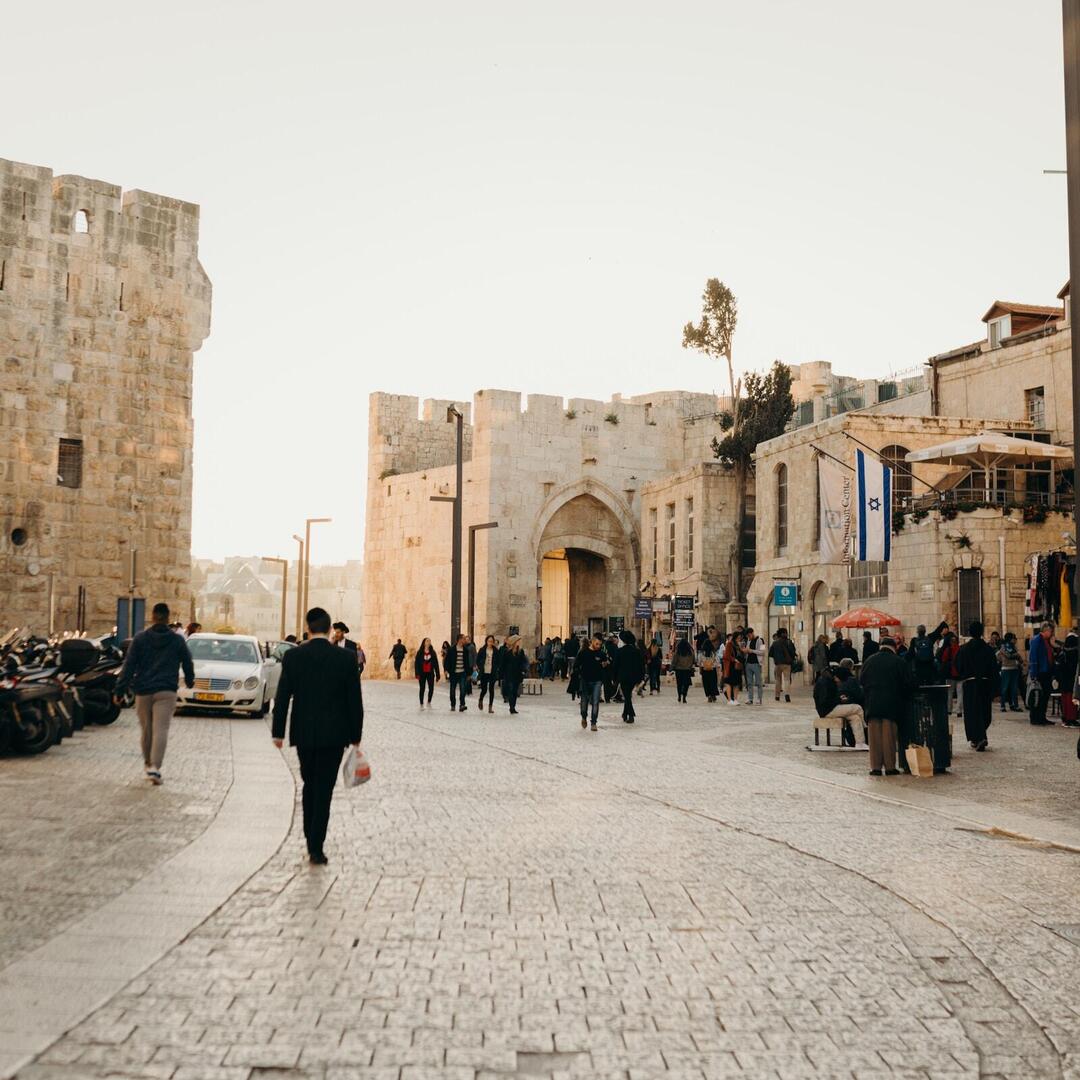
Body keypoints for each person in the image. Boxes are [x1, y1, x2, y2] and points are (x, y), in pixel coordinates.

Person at [271, 607, 363, 866]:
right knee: (324, 790)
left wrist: (278, 732)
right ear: (329, 626)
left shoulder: (293, 657)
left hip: (304, 734)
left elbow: (283, 696)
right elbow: (354, 701)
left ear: (309, 627)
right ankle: (316, 846)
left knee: (309, 784)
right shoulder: (345, 659)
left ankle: (310, 838)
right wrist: (356, 735)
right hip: (335, 736)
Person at [114, 602, 195, 785]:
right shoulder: (177, 640)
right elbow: (187, 662)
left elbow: (129, 666)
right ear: (167, 618)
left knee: (146, 730)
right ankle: (155, 768)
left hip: (143, 690)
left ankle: (148, 763)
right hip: (166, 690)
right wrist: (190, 680)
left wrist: (120, 690)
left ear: (152, 616)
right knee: (161, 729)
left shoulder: (140, 639)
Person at [859, 635, 912, 776]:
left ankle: (875, 767)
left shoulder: (869, 661)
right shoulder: (898, 661)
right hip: (891, 704)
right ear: (893, 647)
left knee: (874, 737)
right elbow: (907, 684)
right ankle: (889, 767)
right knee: (889, 737)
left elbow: (862, 681)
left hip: (872, 704)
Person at [955, 620, 998, 753]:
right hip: (984, 684)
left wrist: (964, 674)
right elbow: (994, 668)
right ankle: (980, 737)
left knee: (972, 712)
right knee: (984, 711)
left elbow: (958, 666)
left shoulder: (964, 649)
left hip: (970, 684)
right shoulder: (988, 650)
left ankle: (977, 737)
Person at [814, 663, 864, 748]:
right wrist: (839, 699)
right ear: (836, 678)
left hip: (828, 708)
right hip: (827, 710)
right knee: (858, 708)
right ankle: (866, 726)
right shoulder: (826, 683)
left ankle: (860, 743)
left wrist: (839, 698)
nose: (840, 684)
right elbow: (825, 701)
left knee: (855, 717)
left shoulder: (827, 681)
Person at [576, 634, 608, 731]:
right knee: (584, 701)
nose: (598, 646)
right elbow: (576, 665)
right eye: (597, 644)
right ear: (592, 641)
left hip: (597, 681)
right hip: (585, 680)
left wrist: (605, 664)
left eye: (600, 644)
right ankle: (584, 717)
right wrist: (579, 675)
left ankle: (594, 722)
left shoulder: (601, 654)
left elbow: (606, 664)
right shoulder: (583, 653)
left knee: (595, 702)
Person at [1028, 622, 1056, 726]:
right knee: (1037, 695)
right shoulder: (1037, 640)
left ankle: (1042, 717)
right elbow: (1033, 657)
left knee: (1045, 696)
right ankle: (1035, 717)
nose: (1052, 633)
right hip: (1040, 672)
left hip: (1047, 671)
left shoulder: (1047, 641)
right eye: (1051, 631)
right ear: (1046, 630)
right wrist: (1034, 674)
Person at [614, 630, 645, 723]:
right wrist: (641, 677)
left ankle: (631, 715)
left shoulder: (620, 651)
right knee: (628, 695)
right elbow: (641, 665)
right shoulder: (637, 651)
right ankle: (625, 714)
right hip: (634, 677)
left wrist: (614, 678)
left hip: (623, 677)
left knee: (627, 696)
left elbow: (615, 666)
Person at [909, 621, 949, 686]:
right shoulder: (930, 638)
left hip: (919, 666)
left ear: (917, 632)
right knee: (930, 683)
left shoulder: (914, 640)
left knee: (920, 683)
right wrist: (944, 622)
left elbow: (910, 653)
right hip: (929, 665)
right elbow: (939, 629)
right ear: (925, 631)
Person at [996, 632, 1024, 713]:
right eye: (1013, 638)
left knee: (1014, 688)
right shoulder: (1004, 647)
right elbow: (1008, 655)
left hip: (1014, 669)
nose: (1015, 640)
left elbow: (1018, 657)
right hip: (1006, 669)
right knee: (1004, 688)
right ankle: (1002, 706)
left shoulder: (1013, 647)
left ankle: (1015, 705)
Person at [937, 632, 962, 717]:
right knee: (960, 693)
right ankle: (959, 711)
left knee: (949, 693)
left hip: (950, 673)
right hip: (960, 674)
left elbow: (943, 660)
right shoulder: (960, 649)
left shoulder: (948, 649)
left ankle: (949, 710)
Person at [501, 635, 529, 714]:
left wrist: (524, 669)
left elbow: (524, 661)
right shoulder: (507, 652)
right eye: (518, 641)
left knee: (515, 691)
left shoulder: (520, 651)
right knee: (511, 689)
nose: (519, 642)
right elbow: (503, 663)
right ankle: (511, 707)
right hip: (509, 673)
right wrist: (501, 674)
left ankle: (513, 706)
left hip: (517, 673)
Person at [444, 634, 471, 712]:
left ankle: (462, 705)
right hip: (453, 673)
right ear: (459, 640)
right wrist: (446, 670)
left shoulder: (465, 650)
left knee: (463, 689)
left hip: (462, 673)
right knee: (452, 690)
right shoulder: (451, 649)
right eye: (463, 639)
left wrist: (469, 673)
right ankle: (453, 704)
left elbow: (467, 663)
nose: (465, 640)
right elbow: (447, 661)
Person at [476, 634, 501, 713]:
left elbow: (499, 661)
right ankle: (480, 699)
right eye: (489, 641)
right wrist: (480, 666)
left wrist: (496, 667)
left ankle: (490, 707)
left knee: (491, 690)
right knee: (484, 689)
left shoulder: (496, 651)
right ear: (486, 641)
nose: (490, 642)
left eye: (492, 641)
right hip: (484, 672)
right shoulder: (482, 650)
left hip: (492, 672)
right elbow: (478, 659)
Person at [769, 629, 796, 702]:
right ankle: (787, 695)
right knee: (787, 679)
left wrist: (776, 657)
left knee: (778, 680)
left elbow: (770, 653)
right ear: (784, 634)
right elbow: (793, 653)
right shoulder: (789, 642)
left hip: (778, 664)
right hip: (787, 664)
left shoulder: (775, 643)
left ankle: (777, 696)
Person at [1059, 633, 1080, 727]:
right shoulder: (1075, 653)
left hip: (1063, 680)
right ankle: (1071, 719)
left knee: (1065, 699)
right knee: (1071, 699)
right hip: (1072, 679)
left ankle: (1065, 717)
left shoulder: (1062, 652)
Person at [415, 637, 440, 706]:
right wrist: (417, 673)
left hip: (430, 673)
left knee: (431, 688)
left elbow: (436, 663)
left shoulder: (432, 652)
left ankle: (429, 700)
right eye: (427, 641)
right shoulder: (420, 652)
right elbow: (416, 663)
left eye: (429, 641)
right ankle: (421, 702)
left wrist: (438, 674)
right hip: (422, 673)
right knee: (422, 688)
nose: (428, 642)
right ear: (424, 643)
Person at [743, 628, 765, 705]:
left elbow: (762, 652)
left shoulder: (761, 640)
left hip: (756, 664)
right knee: (749, 683)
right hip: (748, 663)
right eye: (747, 636)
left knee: (758, 682)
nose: (748, 637)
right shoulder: (748, 641)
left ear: (752, 633)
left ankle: (759, 699)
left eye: (749, 635)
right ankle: (750, 698)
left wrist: (751, 651)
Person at [671, 638, 695, 703]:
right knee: (686, 684)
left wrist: (672, 667)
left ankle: (679, 696)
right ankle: (684, 697)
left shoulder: (678, 651)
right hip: (687, 670)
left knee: (679, 684)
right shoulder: (690, 652)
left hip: (679, 670)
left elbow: (674, 660)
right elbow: (693, 660)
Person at [721, 632, 742, 704]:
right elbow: (726, 655)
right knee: (729, 682)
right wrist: (734, 659)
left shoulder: (738, 645)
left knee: (736, 683)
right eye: (738, 637)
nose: (740, 638)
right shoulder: (729, 644)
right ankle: (729, 700)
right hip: (730, 666)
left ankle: (735, 699)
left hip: (737, 666)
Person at [697, 637, 720, 703]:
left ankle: (709, 695)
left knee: (706, 683)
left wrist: (700, 669)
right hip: (712, 670)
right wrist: (718, 670)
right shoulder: (714, 653)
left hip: (704, 670)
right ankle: (713, 695)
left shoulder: (701, 653)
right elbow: (717, 662)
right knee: (713, 683)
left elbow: (699, 662)